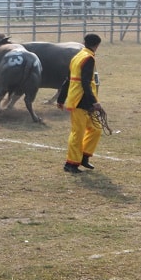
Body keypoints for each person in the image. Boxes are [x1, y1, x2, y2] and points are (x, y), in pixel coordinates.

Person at [57, 33, 103, 174]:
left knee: (96, 129)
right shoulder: (88, 58)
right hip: (80, 100)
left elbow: (67, 79)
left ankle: (84, 157)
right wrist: (95, 102)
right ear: (97, 45)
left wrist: (60, 98)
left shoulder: (77, 56)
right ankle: (70, 163)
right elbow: (85, 82)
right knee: (78, 133)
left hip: (81, 99)